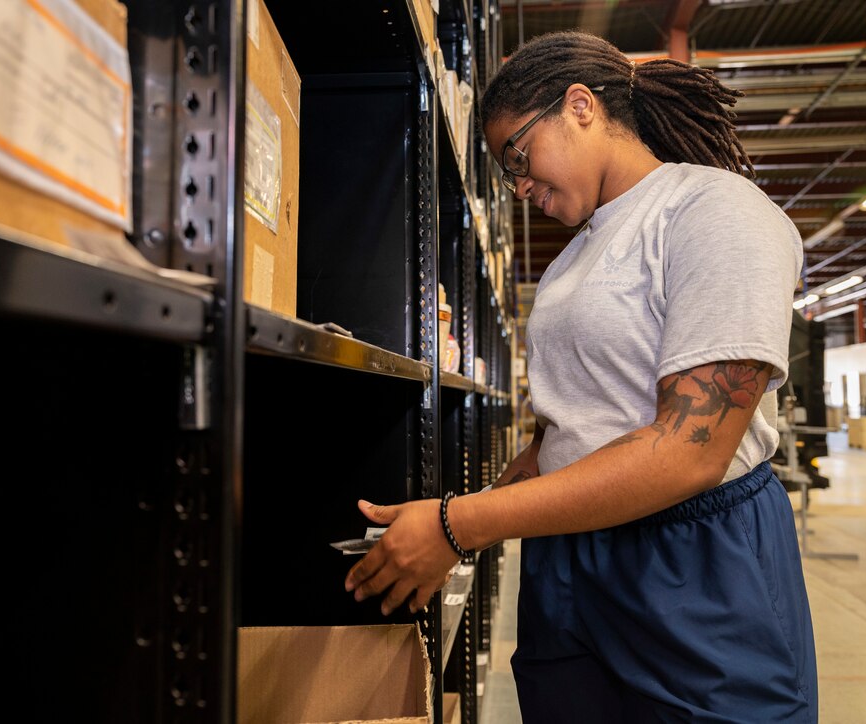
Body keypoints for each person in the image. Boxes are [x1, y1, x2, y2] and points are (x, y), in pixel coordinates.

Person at [345, 30, 816, 723]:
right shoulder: (574, 260)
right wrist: (454, 527)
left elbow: (690, 451)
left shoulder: (714, 213)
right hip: (570, 562)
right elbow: (575, 430)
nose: (519, 185)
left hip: (693, 560)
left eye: (519, 156)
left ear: (581, 106)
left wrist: (458, 525)